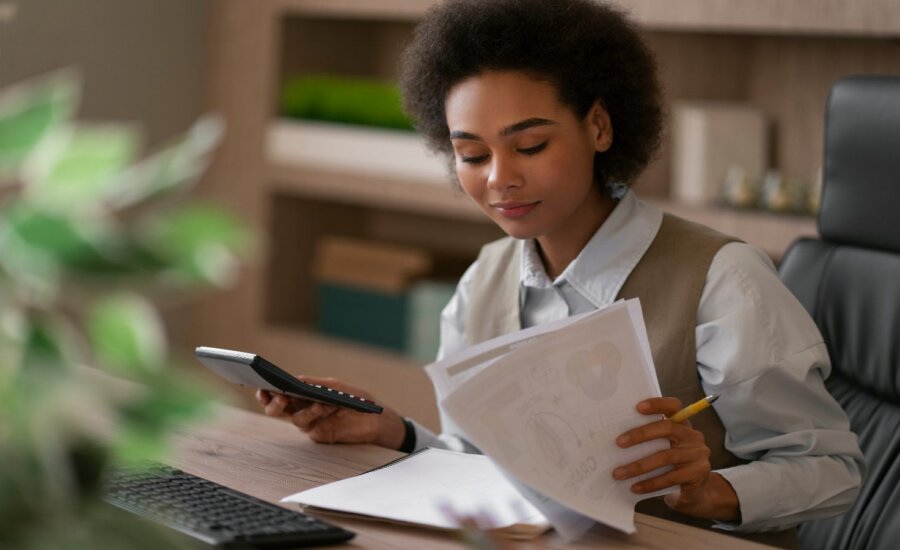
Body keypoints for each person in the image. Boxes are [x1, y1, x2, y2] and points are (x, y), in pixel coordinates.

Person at [257, 0, 862, 546]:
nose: (498, 179)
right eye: (471, 155)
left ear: (598, 126)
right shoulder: (484, 281)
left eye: (529, 146)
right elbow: (486, 469)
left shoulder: (723, 280)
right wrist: (395, 433)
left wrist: (712, 492)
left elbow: (834, 474)